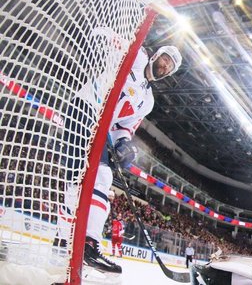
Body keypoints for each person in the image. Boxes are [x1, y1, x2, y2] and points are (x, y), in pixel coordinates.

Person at [55, 36, 182, 274]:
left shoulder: (148, 101)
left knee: (87, 180)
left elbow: (125, 127)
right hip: (84, 110)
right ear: (157, 55)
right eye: (165, 59)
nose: (165, 66)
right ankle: (82, 243)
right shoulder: (138, 56)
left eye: (170, 67)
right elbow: (105, 35)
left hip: (101, 128)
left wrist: (125, 144)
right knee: (90, 178)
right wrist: (102, 38)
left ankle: (71, 242)